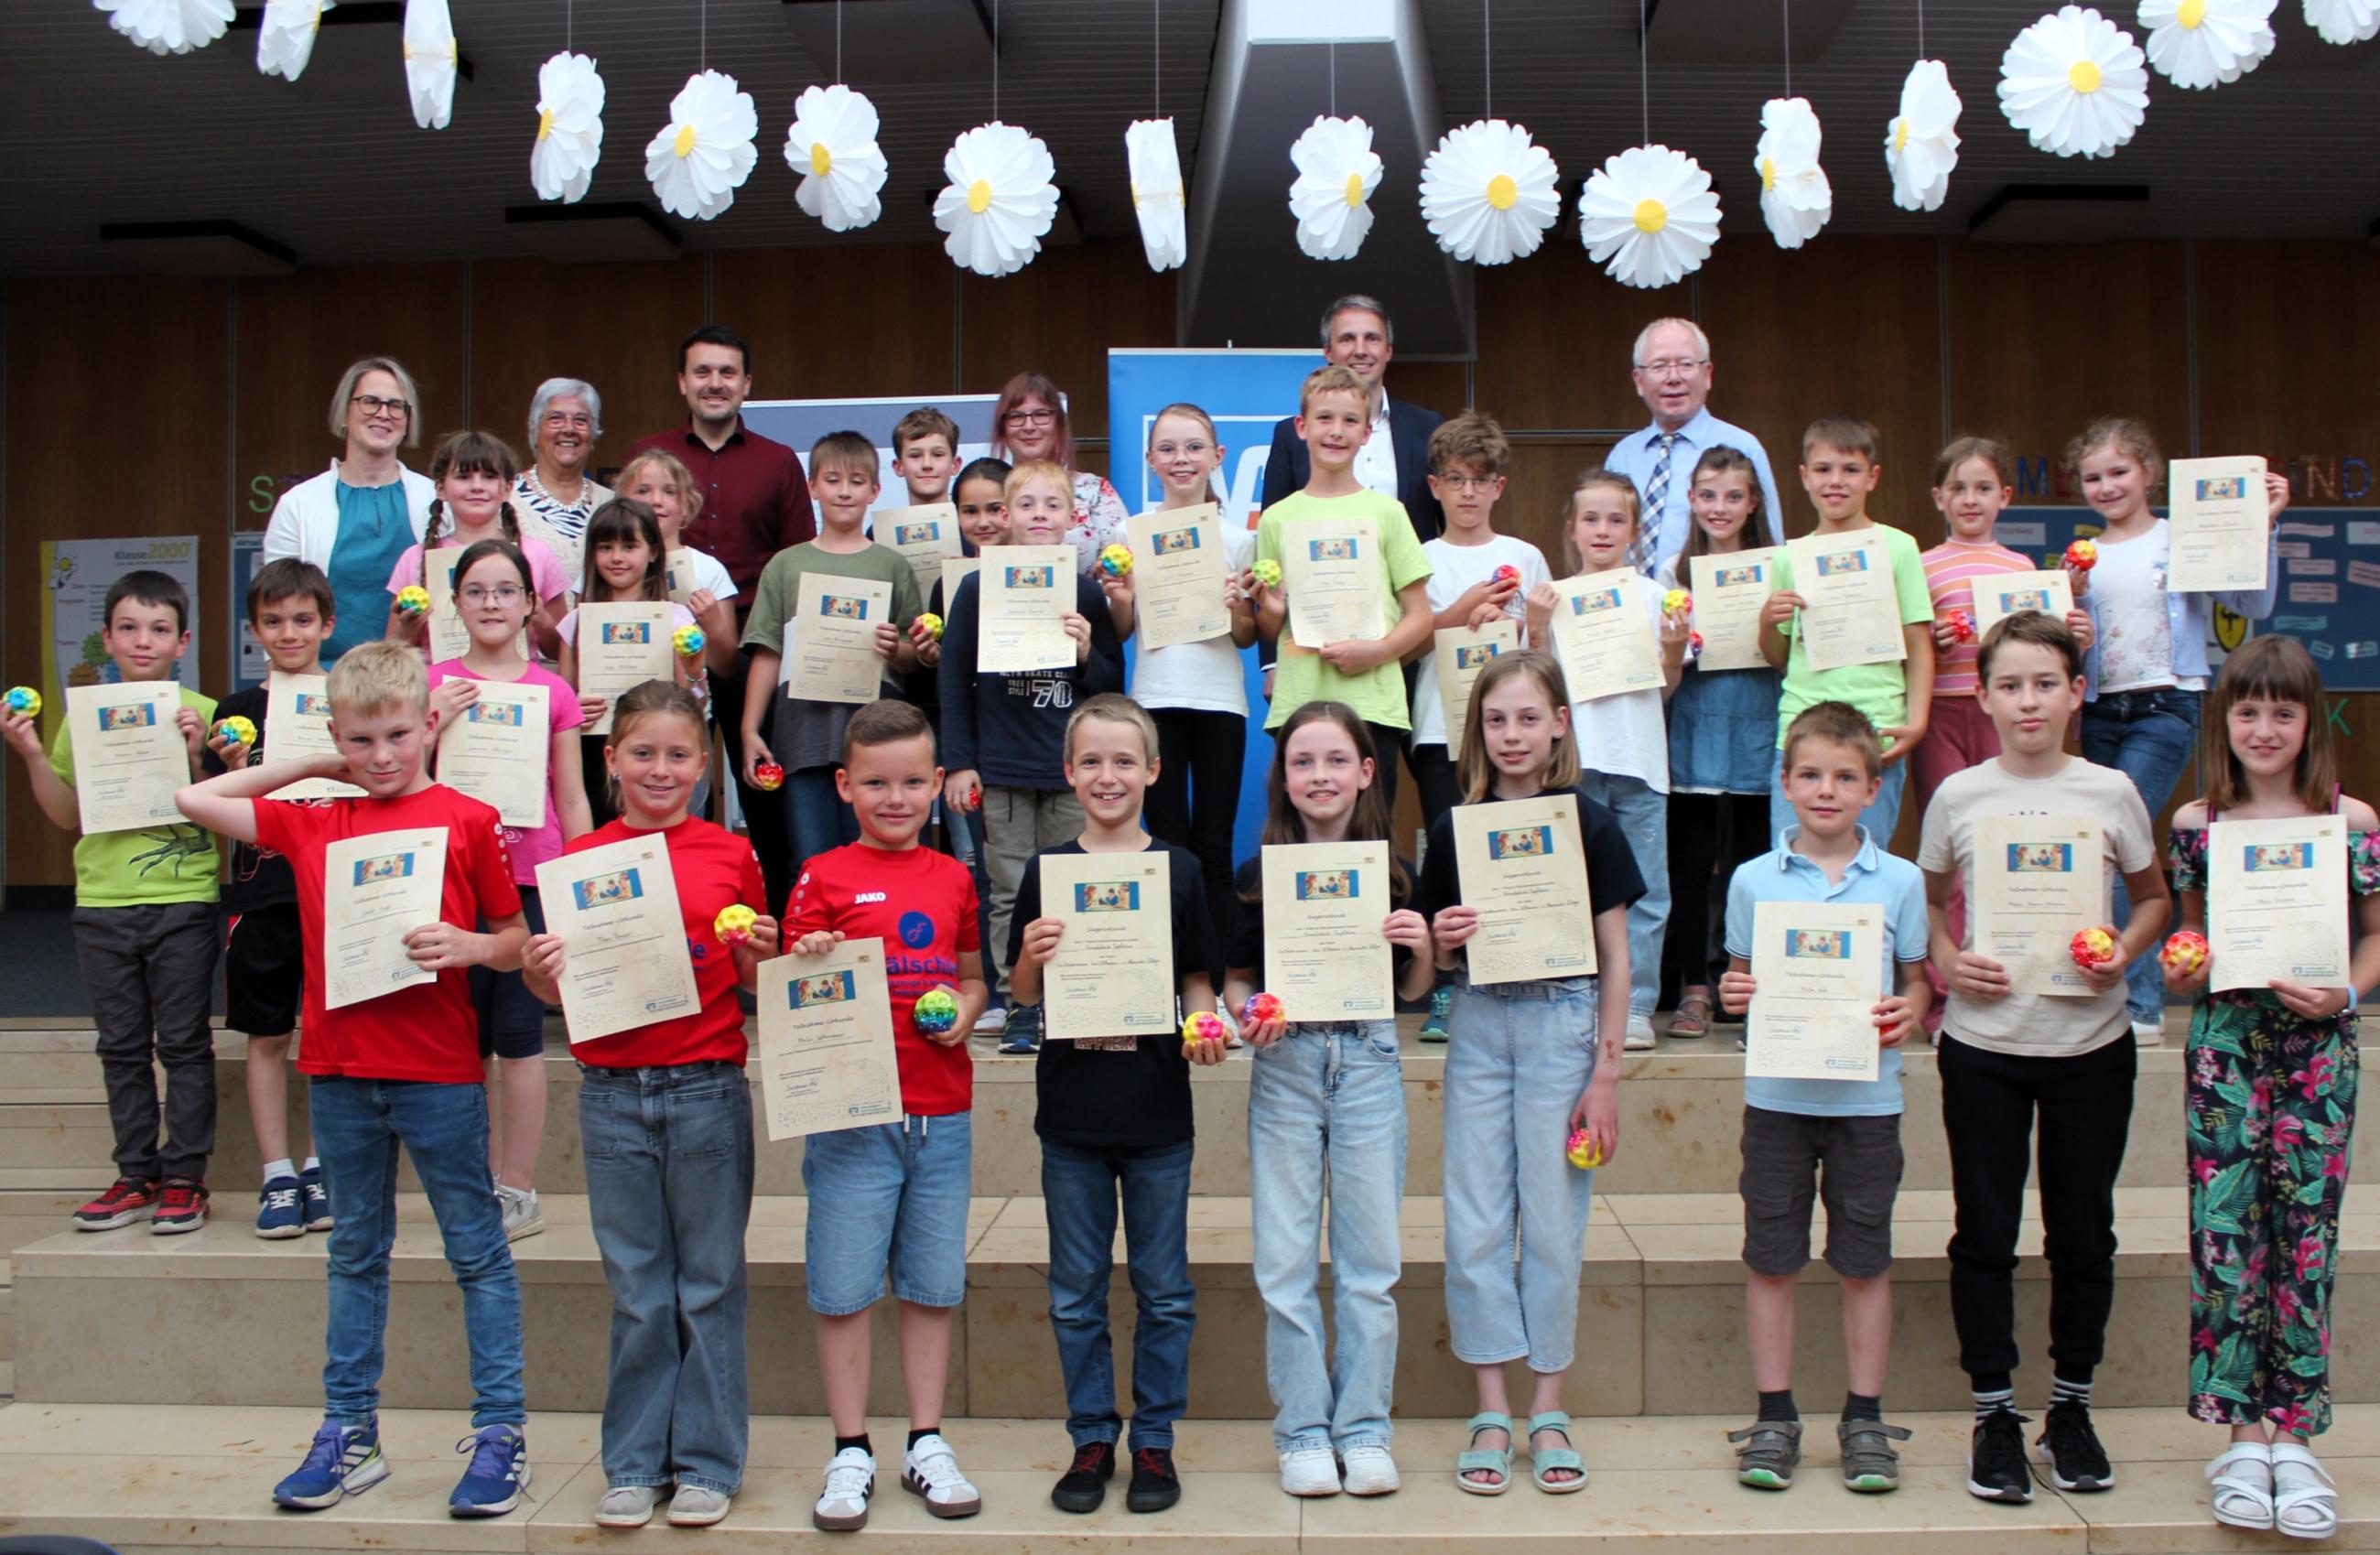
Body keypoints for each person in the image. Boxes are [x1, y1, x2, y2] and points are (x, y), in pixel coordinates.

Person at [176, 641, 532, 1518]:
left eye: (398, 734)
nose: (381, 755)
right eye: (363, 739)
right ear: (341, 736)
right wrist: (314, 765)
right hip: (336, 1073)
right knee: (353, 1257)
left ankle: (501, 1436)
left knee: (478, 1254)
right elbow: (194, 796)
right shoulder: (316, 816)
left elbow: (517, 938)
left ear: (428, 727)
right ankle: (350, 1434)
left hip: (439, 1073)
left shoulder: (469, 817)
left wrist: (475, 948)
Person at [1917, 612, 2169, 1505]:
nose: (2027, 700)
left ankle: (2069, 1406)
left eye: (2044, 683)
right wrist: (1947, 963)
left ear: (2075, 692)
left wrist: (2124, 948)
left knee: (2081, 1234)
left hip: (2088, 1046)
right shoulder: (1956, 796)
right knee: (1983, 1232)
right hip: (1982, 1046)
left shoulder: (2108, 791)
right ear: (1981, 697)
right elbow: (1928, 906)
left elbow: (2151, 898)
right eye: (2009, 684)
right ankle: (1992, 1413)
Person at [522, 679, 772, 1531]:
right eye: (642, 754)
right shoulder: (581, 859)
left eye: (677, 755)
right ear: (611, 760)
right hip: (612, 1094)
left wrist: (761, 951)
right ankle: (632, 1462)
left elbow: (750, 979)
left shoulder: (731, 853)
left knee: (708, 1283)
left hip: (705, 1084)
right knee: (636, 1286)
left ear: (704, 766)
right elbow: (553, 995)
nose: (659, 769)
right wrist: (537, 966)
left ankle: (706, 1461)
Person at [2163, 637, 2379, 1541]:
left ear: (2308, 722)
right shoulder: (2192, 825)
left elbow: (2373, 937)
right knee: (2226, 1239)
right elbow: (2184, 942)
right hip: (2224, 1047)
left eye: (2281, 712)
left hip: (2316, 1046)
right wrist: (2186, 962)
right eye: (2245, 711)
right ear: (2223, 720)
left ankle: (2295, 1435)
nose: (2262, 728)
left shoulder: (2350, 821)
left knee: (2305, 1239)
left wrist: (2347, 990)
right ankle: (2241, 1438)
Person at [1421, 651, 1640, 1496]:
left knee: (1552, 1221)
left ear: (1558, 724)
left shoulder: (1590, 823)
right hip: (1479, 1022)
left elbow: (1618, 956)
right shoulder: (1454, 828)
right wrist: (1445, 934)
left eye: (1527, 717)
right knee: (1475, 1222)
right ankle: (1490, 1407)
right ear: (1477, 730)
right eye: (1495, 719)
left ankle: (1548, 1405)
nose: (1512, 735)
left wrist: (1608, 1073)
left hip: (1564, 1026)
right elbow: (1437, 958)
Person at [1008, 694, 1228, 1517]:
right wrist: (1030, 958)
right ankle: (1092, 1435)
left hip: (1157, 1113)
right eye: (1092, 761)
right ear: (1068, 772)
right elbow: (1023, 994)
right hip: (1071, 1115)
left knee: (1166, 1289)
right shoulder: (1047, 871)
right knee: (1075, 1289)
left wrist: (1205, 1028)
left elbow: (1198, 986)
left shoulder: (1180, 869)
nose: (1108, 775)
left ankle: (1157, 1441)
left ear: (1153, 772)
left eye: (1124, 760)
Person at [784, 698, 990, 1533]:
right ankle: (851, 1447)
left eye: (912, 780)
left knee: (932, 1286)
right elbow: (792, 988)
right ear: (844, 785)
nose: (895, 797)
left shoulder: (954, 877)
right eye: (875, 782)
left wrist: (969, 1010)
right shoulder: (821, 876)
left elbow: (974, 977)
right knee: (841, 1289)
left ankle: (926, 1440)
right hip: (851, 1117)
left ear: (939, 784)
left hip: (940, 1111)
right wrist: (808, 956)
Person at [1715, 701, 1931, 1495]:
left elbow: (1914, 984)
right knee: (1772, 1258)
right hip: (1777, 1096)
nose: (1827, 790)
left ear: (1874, 787)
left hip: (1866, 1104)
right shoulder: (1751, 880)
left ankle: (1865, 1419)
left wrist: (1908, 1011)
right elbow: (1738, 978)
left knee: (1863, 1259)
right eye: (1810, 774)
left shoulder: (1902, 880)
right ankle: (1774, 1415)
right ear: (1785, 784)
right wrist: (1736, 993)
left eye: (1846, 776)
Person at [1222, 702, 1433, 1497]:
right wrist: (1250, 1017)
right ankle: (1304, 1428)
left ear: (1367, 772)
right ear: (1284, 777)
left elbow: (1413, 994)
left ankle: (1366, 1426)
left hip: (1371, 1062)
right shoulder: (1259, 876)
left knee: (1370, 1263)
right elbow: (1241, 980)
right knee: (1284, 1261)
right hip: (1287, 1066)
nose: (1320, 776)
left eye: (1336, 760)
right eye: (1304, 762)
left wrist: (1418, 949)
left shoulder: (1395, 873)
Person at [1, 570, 219, 1233]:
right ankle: (135, 1174)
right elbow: (67, 815)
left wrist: (196, 754)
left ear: (182, 641)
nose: (142, 640)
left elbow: (229, 809)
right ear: (106, 638)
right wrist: (33, 752)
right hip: (102, 902)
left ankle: (185, 1177)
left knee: (183, 1043)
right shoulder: (83, 717)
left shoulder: (204, 712)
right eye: (128, 627)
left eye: (158, 630)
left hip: (183, 898)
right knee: (120, 1045)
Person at [2070, 416, 2286, 1042]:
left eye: (2118, 471)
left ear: (2148, 473)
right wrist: (2070, 605)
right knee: (2108, 846)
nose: (2107, 485)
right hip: (2102, 710)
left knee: (2116, 833)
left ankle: (2138, 1005)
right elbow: (2070, 646)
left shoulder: (2179, 540)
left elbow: (2252, 604)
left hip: (2167, 703)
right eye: (2092, 477)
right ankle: (2118, 989)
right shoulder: (2081, 558)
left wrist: (2261, 527)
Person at [427, 539, 595, 1240]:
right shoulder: (431, 681)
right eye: (476, 590)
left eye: (506, 590)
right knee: (459, 1038)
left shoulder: (552, 689)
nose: (491, 602)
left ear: (532, 602)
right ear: (455, 602)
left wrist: (578, 876)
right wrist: (432, 716)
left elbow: (573, 795)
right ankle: (468, 1187)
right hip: (449, 878)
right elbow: (397, 779)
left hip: (529, 879)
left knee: (521, 1034)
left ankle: (517, 1186)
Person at [630, 324, 816, 913]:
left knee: (766, 803)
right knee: (665, 792)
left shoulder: (778, 462)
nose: (716, 383)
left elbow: (797, 563)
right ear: (683, 382)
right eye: (703, 372)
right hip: (660, 660)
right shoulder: (649, 458)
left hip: (753, 657)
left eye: (727, 373)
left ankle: (781, 935)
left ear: (746, 384)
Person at [940, 459, 1125, 1053]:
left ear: (1072, 518)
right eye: (1025, 505)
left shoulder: (1088, 590)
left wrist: (1087, 650)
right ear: (1004, 516)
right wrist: (961, 760)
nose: (1039, 515)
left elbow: (1112, 689)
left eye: (1051, 506)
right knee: (1009, 888)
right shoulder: (975, 587)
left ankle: (1075, 998)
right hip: (1002, 768)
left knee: (1075, 884)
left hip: (1072, 770)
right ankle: (1017, 1002)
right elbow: (952, 680)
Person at [1913, 437, 2095, 1028]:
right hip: (1941, 711)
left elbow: (2047, 650)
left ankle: (2019, 972)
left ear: (2005, 497)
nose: (1971, 499)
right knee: (1956, 850)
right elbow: (1906, 646)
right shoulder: (1921, 565)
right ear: (1938, 496)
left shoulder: (2021, 569)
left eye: (1984, 487)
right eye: (1958, 488)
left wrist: (2073, 632)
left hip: (2004, 722)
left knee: (2003, 847)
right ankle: (1948, 996)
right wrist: (1931, 640)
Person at [199, 557, 340, 1236]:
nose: (290, 632)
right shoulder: (236, 711)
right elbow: (212, 806)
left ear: (327, 624)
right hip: (263, 895)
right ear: (255, 629)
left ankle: (320, 1164)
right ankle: (277, 1173)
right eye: (275, 621)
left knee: (328, 1030)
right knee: (268, 1034)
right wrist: (234, 769)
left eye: (303, 620)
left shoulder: (349, 699)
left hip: (337, 889)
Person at [1525, 469, 1688, 1051]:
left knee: (1645, 892)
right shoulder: (1552, 598)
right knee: (1575, 888)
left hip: (1642, 764)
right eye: (1590, 519)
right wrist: (1537, 625)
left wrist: (1672, 646)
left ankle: (1638, 1004)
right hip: (1576, 766)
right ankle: (1578, 996)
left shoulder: (1652, 596)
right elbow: (1539, 686)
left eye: (1616, 519)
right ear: (1570, 528)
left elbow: (1666, 687)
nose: (1602, 529)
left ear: (1635, 531)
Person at [738, 431, 923, 880]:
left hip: (877, 741)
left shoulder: (892, 564)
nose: (844, 491)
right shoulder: (786, 564)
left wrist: (894, 649)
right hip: (803, 738)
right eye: (833, 479)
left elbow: (914, 656)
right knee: (811, 865)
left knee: (880, 864)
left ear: (875, 491)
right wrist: (748, 728)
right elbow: (768, 651)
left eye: (857, 481)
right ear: (811, 486)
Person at [1250, 364, 1434, 810]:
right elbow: (1270, 626)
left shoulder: (1388, 513)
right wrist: (1270, 608)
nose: (1336, 431)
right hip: (1300, 700)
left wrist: (1377, 651)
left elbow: (1422, 617)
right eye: (1325, 418)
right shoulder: (1276, 519)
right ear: (1301, 427)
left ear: (1368, 432)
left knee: (1371, 841)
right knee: (1301, 838)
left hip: (1373, 702)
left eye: (1350, 421)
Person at [1120, 404, 1257, 967]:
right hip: (1154, 702)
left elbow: (1248, 636)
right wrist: (1120, 596)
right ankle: (1176, 974)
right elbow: (1122, 629)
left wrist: (1236, 608)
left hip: (1221, 701)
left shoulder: (1236, 539)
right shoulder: (1130, 534)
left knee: (1215, 843)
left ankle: (1218, 977)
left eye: (1195, 447)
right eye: (1169, 448)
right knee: (1167, 840)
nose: (1182, 459)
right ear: (1150, 459)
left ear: (1217, 457)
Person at [1759, 416, 1935, 847]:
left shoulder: (1898, 547)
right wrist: (1766, 622)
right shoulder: (1789, 558)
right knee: (1792, 864)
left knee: (1866, 865)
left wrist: (1917, 721)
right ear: (1804, 477)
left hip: (1877, 729)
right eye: (1823, 469)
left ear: (1872, 478)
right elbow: (1780, 658)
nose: (1835, 481)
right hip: (1800, 728)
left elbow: (1918, 642)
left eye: (1850, 470)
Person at [1657, 447, 1782, 1039]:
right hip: (1694, 735)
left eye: (1733, 495)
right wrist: (1674, 641)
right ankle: (1695, 990)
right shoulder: (1670, 576)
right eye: (1708, 494)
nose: (1720, 506)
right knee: (1690, 869)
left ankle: (1747, 985)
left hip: (1760, 732)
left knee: (1751, 867)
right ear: (1691, 500)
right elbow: (1661, 672)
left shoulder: (1780, 568)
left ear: (1754, 502)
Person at [262, 355, 435, 665]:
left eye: (396, 406)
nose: (384, 414)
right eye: (370, 402)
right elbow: (275, 604)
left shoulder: (435, 499)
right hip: (322, 682)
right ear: (344, 413)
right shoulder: (298, 503)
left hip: (415, 679)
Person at [557, 500, 706, 826]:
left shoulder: (678, 619)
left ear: (653, 552)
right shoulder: (576, 622)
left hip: (657, 754)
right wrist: (575, 710)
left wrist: (694, 673)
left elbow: (694, 705)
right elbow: (563, 702)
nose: (617, 557)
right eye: (606, 547)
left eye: (629, 546)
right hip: (594, 754)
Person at [1258, 295, 1447, 546]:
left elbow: (1449, 521)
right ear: (1328, 351)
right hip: (1318, 579)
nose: (1360, 350)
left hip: (1409, 581)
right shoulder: (1289, 435)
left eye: (1372, 339)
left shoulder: (1428, 427)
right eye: (1347, 339)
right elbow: (1274, 527)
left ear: (1388, 350)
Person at [1605, 318, 1782, 577]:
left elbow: (1770, 545)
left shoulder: (1743, 448)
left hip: (1710, 606)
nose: (1673, 378)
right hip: (1636, 609)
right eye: (1659, 366)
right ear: (1639, 381)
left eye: (1686, 365)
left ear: (1708, 374)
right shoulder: (1622, 456)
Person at [384, 431, 571, 660]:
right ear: (441, 488)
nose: (477, 486)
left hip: (517, 691)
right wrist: (407, 629)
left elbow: (563, 653)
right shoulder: (413, 559)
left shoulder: (538, 555)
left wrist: (540, 617)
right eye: (463, 477)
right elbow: (389, 657)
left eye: (489, 477)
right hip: (440, 690)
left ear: (508, 488)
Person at [613, 448, 741, 685]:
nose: (656, 501)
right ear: (622, 501)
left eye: (669, 492)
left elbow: (727, 666)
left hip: (690, 701)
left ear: (687, 506)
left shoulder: (709, 569)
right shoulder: (609, 564)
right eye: (643, 491)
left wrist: (713, 625)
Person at [987, 371, 1130, 574]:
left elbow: (1123, 562)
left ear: (1058, 423)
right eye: (1016, 416)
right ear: (1003, 427)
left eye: (1041, 415)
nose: (1029, 426)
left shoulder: (1094, 491)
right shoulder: (989, 489)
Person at [513, 377, 611, 585]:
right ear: (535, 428)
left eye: (580, 420)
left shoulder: (611, 503)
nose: (569, 429)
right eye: (556, 418)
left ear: (593, 432)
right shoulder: (506, 499)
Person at [892, 405, 962, 507]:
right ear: (899, 467)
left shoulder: (970, 523)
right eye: (915, 456)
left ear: (955, 465)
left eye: (938, 455)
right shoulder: (884, 523)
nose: (927, 464)